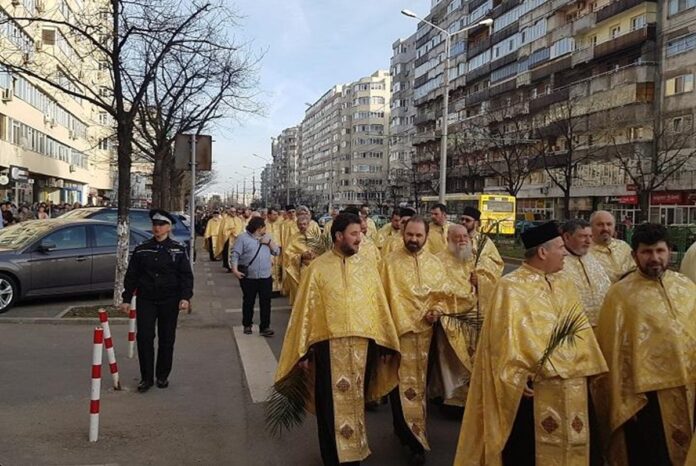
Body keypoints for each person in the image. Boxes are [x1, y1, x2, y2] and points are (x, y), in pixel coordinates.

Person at [454, 221, 607, 466]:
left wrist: (590, 365)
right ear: (543, 252)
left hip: (574, 385)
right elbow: (499, 340)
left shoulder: (565, 284)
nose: (565, 253)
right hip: (534, 390)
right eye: (560, 247)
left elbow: (580, 330)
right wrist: (514, 374)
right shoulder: (510, 287)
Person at [275, 213, 401, 466]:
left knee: (357, 402)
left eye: (360, 233)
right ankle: (332, 457)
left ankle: (354, 453)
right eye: (354, 234)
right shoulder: (318, 269)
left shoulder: (367, 268)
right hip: (327, 348)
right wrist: (304, 352)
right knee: (328, 406)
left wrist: (384, 343)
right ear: (339, 236)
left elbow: (378, 307)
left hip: (362, 348)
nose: (359, 238)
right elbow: (306, 313)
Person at [592, 223, 696, 466]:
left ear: (669, 251)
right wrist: (621, 398)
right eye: (647, 252)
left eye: (660, 251)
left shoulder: (687, 287)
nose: (655, 258)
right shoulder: (620, 295)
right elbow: (611, 352)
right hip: (646, 397)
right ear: (634, 255)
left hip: (691, 386)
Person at [380, 216, 451, 464]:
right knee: (399, 387)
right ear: (403, 234)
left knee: (420, 389)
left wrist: (437, 310)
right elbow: (381, 301)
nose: (413, 239)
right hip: (398, 337)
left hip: (428, 338)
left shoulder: (435, 264)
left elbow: (444, 296)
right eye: (410, 234)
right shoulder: (388, 264)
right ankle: (411, 439)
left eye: (418, 235)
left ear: (426, 236)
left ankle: (415, 432)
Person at [120, 209, 194, 393]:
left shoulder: (178, 249)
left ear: (169, 227)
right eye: (155, 224)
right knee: (144, 337)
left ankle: (162, 375)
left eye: (161, 225)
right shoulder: (142, 249)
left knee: (166, 338)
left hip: (169, 299)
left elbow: (186, 276)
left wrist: (185, 297)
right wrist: (126, 298)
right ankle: (146, 378)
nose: (157, 228)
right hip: (147, 299)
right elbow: (132, 276)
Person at [435, 224, 478, 402]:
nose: (462, 240)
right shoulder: (438, 261)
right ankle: (452, 398)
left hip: (473, 316)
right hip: (450, 316)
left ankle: (471, 397)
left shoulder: (471, 259)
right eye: (457, 236)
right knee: (450, 359)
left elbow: (489, 284)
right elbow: (437, 290)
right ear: (448, 239)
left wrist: (480, 282)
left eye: (465, 236)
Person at [231, 217, 279, 336]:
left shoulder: (268, 237)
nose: (265, 229)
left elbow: (277, 252)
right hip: (249, 277)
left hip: (265, 276)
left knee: (266, 302)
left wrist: (269, 243)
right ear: (258, 228)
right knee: (249, 301)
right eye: (264, 227)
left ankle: (265, 327)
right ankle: (247, 324)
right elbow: (235, 255)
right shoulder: (242, 238)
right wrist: (235, 270)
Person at [559, 219, 611, 327]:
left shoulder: (594, 259)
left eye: (590, 236)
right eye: (583, 236)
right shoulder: (558, 262)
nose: (588, 241)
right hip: (575, 328)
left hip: (603, 325)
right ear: (567, 237)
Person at [459, 206, 504, 314]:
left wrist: (480, 279)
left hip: (476, 294)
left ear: (476, 223)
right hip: (458, 291)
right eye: (462, 219)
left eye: (467, 220)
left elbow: (497, 266)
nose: (463, 222)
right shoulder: (455, 239)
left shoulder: (485, 242)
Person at [588, 210, 635, 283]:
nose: (605, 228)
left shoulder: (624, 247)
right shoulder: (585, 251)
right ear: (591, 227)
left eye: (609, 224)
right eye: (600, 225)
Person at [282, 215, 317, 305]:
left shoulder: (315, 237)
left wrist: (314, 255)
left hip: (314, 269)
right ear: (297, 225)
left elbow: (322, 252)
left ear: (308, 224)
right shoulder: (293, 239)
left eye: (304, 224)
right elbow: (288, 255)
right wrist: (301, 256)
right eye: (300, 224)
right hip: (299, 269)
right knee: (300, 292)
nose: (302, 226)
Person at [265, 208, 285, 293]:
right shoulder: (264, 224)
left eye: (277, 214)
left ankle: (279, 288)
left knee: (279, 269)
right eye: (274, 214)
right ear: (269, 215)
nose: (276, 216)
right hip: (268, 250)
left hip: (279, 250)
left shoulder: (281, 224)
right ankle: (270, 289)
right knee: (270, 269)